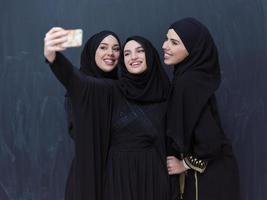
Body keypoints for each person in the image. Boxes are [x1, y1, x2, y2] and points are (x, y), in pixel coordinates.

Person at [44, 28, 171, 200]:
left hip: (153, 178)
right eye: (127, 53)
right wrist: (53, 57)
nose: (133, 57)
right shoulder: (111, 90)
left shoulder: (165, 93)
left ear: (150, 54)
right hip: (117, 178)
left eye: (140, 51)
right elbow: (79, 82)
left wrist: (185, 164)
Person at [162, 18, 240, 200]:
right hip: (218, 174)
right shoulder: (193, 77)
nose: (165, 46)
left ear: (192, 50)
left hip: (207, 179)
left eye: (174, 43)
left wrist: (184, 164)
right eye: (166, 39)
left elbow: (210, 142)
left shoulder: (187, 83)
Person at [62, 30, 121, 200]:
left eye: (116, 48)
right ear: (92, 51)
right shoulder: (80, 88)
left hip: (119, 175)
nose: (110, 53)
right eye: (103, 47)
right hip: (88, 172)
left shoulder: (123, 88)